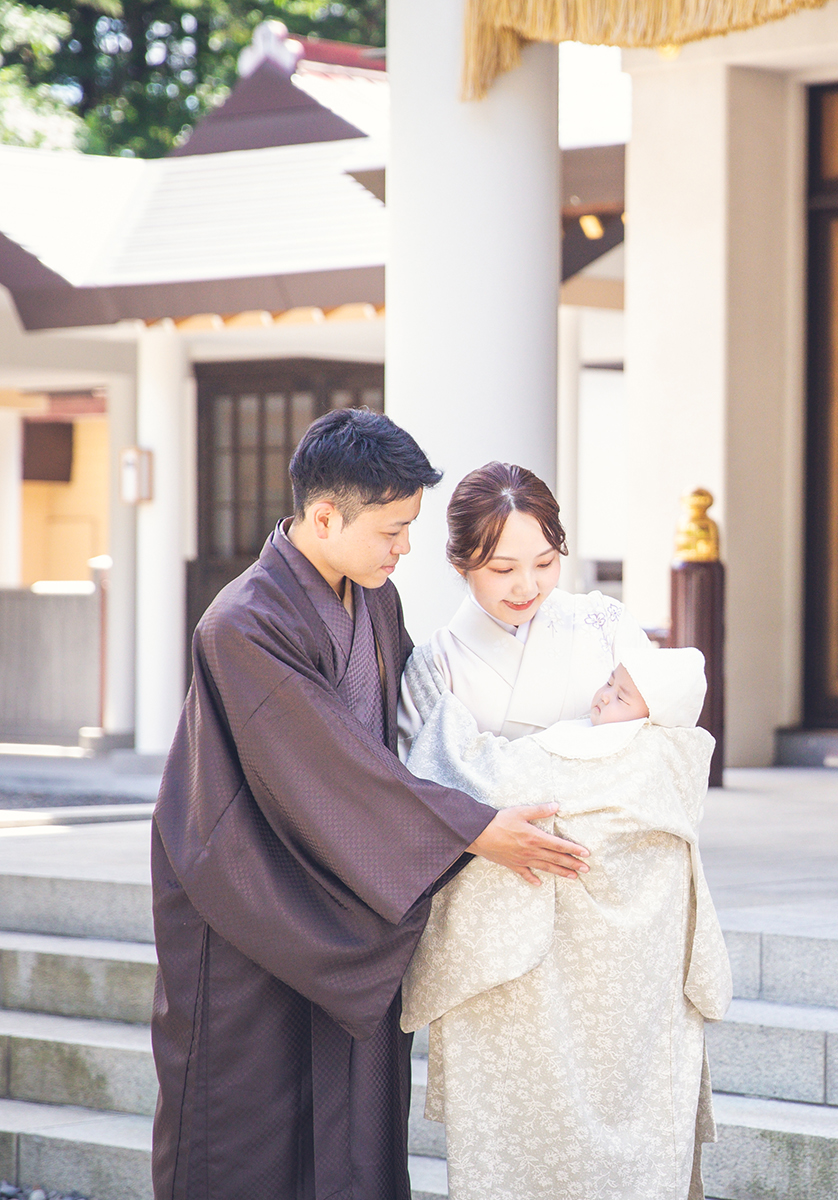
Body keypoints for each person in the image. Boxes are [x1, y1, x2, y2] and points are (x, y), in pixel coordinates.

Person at [150, 410, 595, 1200]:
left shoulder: (373, 598)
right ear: (325, 517)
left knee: (352, 1127)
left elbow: (416, 730)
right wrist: (470, 829)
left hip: (346, 889)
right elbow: (326, 762)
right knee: (249, 1129)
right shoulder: (243, 623)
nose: (406, 548)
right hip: (254, 896)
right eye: (392, 530)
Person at [397, 464, 729, 1200]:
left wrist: (557, 793)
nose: (527, 585)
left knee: (633, 1123)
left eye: (544, 563)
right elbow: (427, 784)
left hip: (623, 935)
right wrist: (493, 821)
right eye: (501, 567)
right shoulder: (436, 664)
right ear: (460, 564)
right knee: (516, 1139)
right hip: (508, 929)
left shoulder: (605, 624)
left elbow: (665, 751)